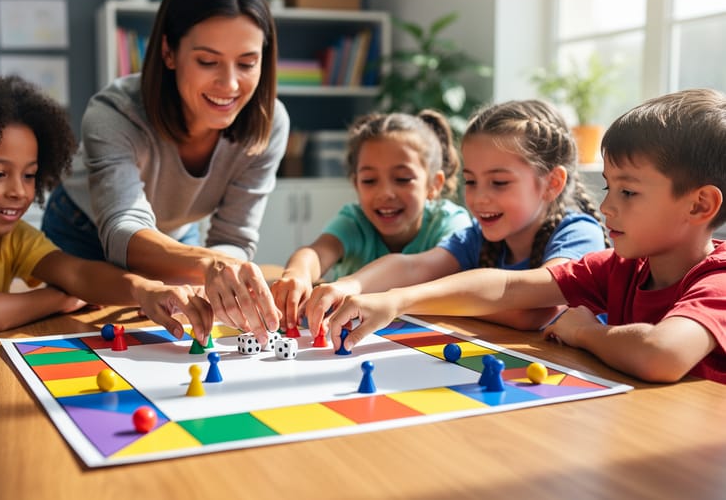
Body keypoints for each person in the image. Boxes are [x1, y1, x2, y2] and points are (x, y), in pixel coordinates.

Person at [321, 89, 726, 384]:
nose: (607, 208)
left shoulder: (718, 281)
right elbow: (511, 286)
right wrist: (396, 299)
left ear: (699, 205)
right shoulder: (619, 267)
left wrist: (585, 332)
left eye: (629, 192)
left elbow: (662, 354)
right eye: (608, 188)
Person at [41, 0, 288, 344]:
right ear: (168, 52)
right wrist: (210, 266)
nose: (230, 83)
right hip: (83, 231)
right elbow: (122, 228)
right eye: (207, 61)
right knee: (69, 339)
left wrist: (218, 271)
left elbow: (232, 239)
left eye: (248, 63)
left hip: (177, 239)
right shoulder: (113, 111)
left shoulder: (271, 121)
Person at [0, 68, 213, 340]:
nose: (19, 191)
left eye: (29, 175)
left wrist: (146, 290)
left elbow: (78, 272)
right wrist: (58, 298)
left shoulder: (12, 239)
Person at [306, 99, 607, 334]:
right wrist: (351, 285)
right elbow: (412, 266)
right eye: (471, 181)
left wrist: (400, 301)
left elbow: (530, 309)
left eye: (499, 182)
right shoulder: (477, 236)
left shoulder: (579, 233)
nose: (478, 198)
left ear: (551, 183)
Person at [270, 110, 471, 331]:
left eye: (403, 179)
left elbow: (454, 279)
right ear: (356, 184)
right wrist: (297, 274)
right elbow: (317, 252)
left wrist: (352, 285)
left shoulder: (451, 224)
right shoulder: (355, 221)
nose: (384, 193)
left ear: (434, 184)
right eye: (369, 180)